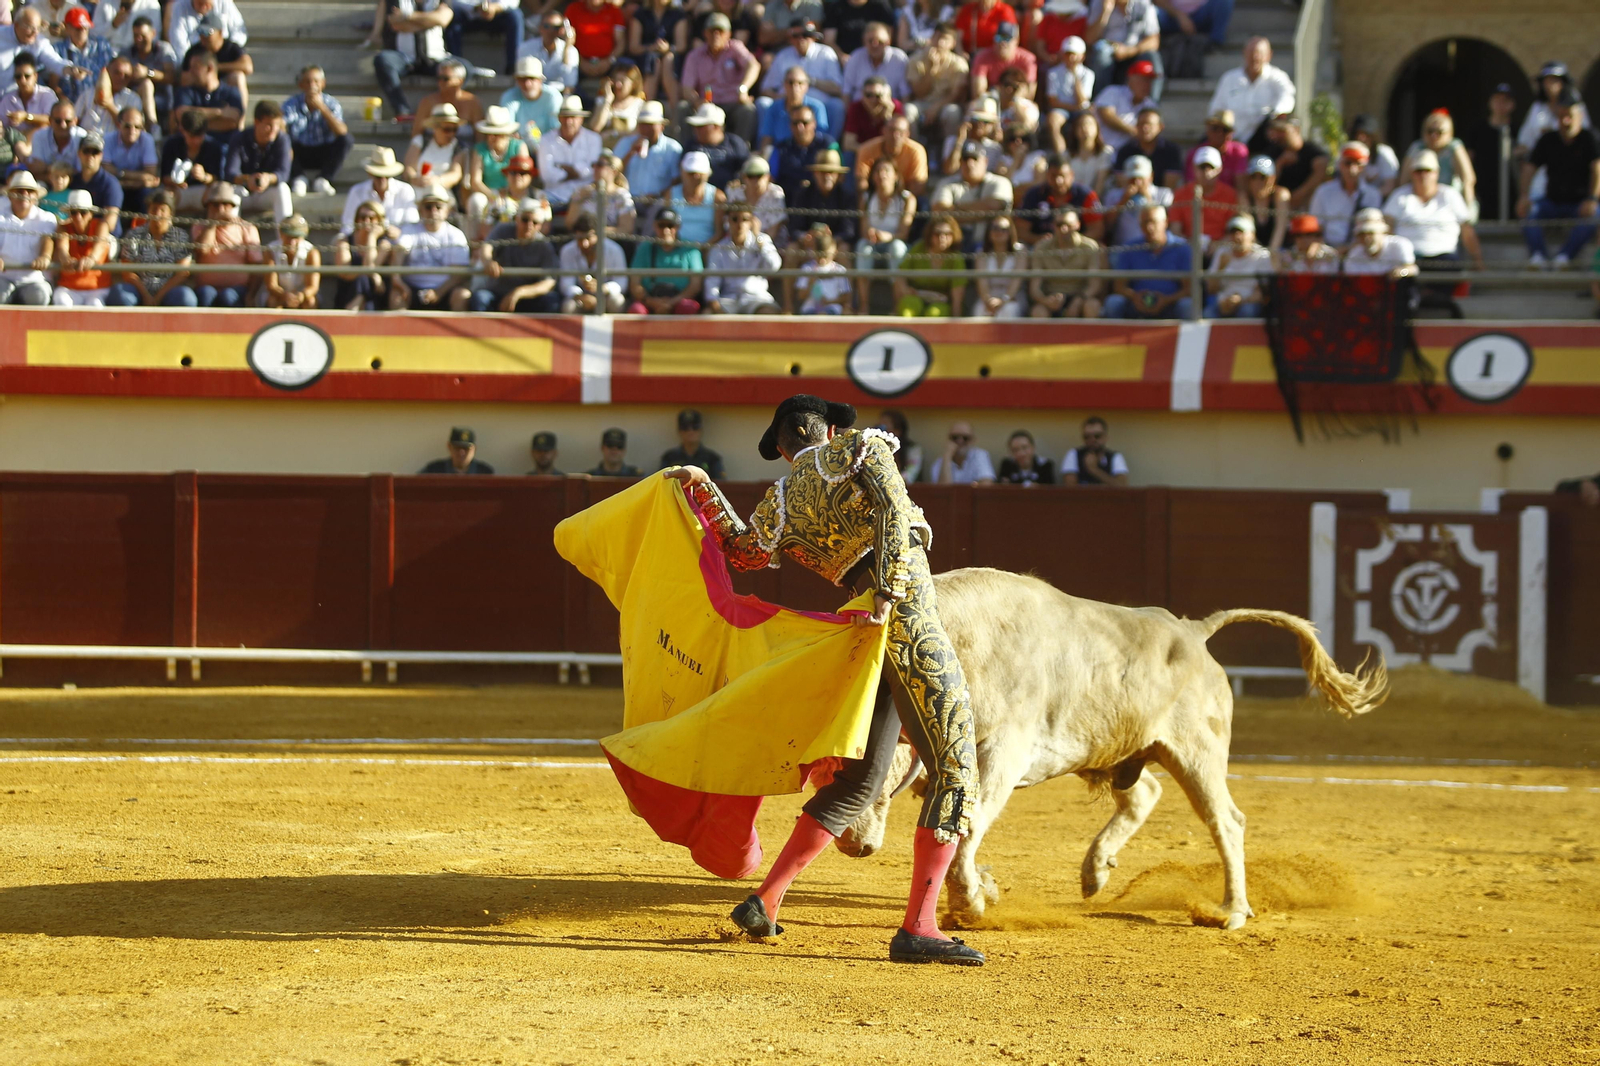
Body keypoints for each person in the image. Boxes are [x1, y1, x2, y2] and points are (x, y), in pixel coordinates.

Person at [668, 395, 984, 965]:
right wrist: (891, 588)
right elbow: (891, 509)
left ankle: (765, 901)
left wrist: (702, 489)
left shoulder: (784, 499)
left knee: (859, 787)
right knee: (956, 769)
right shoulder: (863, 446)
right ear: (833, 427)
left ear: (786, 448)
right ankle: (920, 927)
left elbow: (742, 552)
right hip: (906, 614)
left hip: (862, 631)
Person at [1383, 148, 1482, 308]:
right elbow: (1386, 228)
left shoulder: (1450, 195)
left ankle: (1432, 302)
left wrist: (1478, 260)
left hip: (1444, 260)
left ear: (1436, 173)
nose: (1423, 175)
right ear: (1411, 173)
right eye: (1418, 171)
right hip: (1408, 258)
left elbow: (1467, 231)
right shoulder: (1399, 196)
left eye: (1427, 171)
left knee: (1451, 268)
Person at [1518, 90, 1598, 270]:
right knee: (1529, 211)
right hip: (1552, 201)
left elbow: (1597, 169)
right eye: (1561, 116)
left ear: (1580, 116)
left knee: (1596, 214)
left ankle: (1564, 257)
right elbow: (1529, 168)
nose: (1565, 121)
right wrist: (1524, 196)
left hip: (1580, 202)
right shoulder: (1548, 139)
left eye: (1569, 116)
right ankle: (1538, 257)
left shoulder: (1590, 138)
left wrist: (1592, 198)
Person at [677, 13, 760, 144]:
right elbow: (686, 88)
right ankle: (687, 151)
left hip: (732, 102)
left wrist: (743, 89)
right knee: (683, 107)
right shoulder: (695, 55)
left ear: (728, 34)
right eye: (712, 31)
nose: (716, 35)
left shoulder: (735, 48)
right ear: (705, 33)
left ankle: (741, 152)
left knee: (747, 110)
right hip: (707, 104)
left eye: (720, 31)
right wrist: (696, 100)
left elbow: (753, 65)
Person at [1103, 202, 1192, 319]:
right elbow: (1119, 286)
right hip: (1136, 304)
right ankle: (1113, 337)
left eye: (1153, 222)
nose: (1149, 227)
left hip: (1171, 305)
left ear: (1165, 223)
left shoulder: (1183, 248)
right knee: (1113, 303)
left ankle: (1187, 337)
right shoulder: (1130, 248)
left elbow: (1189, 289)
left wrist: (1167, 300)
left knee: (1187, 305)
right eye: (1145, 223)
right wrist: (1135, 297)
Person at [108, 189, 196, 306]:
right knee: (120, 295)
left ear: (170, 214)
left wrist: (159, 296)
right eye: (154, 209)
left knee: (186, 298)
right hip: (139, 288)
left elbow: (182, 272)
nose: (157, 214)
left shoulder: (181, 236)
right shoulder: (134, 234)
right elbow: (127, 271)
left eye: (163, 210)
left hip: (169, 289)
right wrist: (146, 295)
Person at [389, 184, 470, 310]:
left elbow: (458, 275)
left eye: (438, 207)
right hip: (411, 289)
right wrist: (398, 282)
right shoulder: (409, 230)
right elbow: (399, 251)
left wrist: (439, 292)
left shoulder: (456, 235)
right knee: (396, 296)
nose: (433, 211)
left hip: (446, 290)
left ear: (447, 210)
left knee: (462, 295)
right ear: (420, 210)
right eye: (428, 207)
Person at [761, 20, 845, 137]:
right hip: (787, 107)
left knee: (837, 105)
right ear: (790, 38)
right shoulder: (783, 56)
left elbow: (838, 88)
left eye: (806, 35)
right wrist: (782, 98)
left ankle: (829, 146)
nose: (801, 39)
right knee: (762, 103)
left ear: (814, 37)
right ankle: (765, 148)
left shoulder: (826, 53)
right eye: (796, 36)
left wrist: (811, 81)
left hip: (819, 106)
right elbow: (766, 88)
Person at [1206, 36, 1291, 148]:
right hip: (1231, 138)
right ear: (1244, 53)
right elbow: (1216, 108)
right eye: (1251, 52)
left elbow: (1287, 99)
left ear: (1269, 55)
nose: (1255, 57)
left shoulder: (1278, 78)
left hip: (1264, 139)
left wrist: (1273, 116)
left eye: (1259, 53)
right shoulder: (1229, 78)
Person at [189, 181, 263, 307]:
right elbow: (202, 250)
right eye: (215, 205)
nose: (220, 209)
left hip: (237, 289)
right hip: (206, 287)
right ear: (208, 207)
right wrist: (212, 224)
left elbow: (257, 266)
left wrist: (251, 295)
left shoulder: (247, 228)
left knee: (228, 297)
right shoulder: (199, 227)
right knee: (206, 294)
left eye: (225, 204)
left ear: (232, 207)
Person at [281, 65, 350, 198]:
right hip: (299, 152)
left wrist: (322, 108)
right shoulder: (291, 103)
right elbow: (280, 124)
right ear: (301, 85)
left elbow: (342, 132)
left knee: (346, 140)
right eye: (307, 81)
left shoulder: (332, 103)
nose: (312, 85)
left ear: (323, 84)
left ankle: (323, 179)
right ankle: (298, 178)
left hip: (324, 151)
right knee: (281, 138)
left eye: (316, 81)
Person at [856, 155, 914, 307]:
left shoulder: (906, 199)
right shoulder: (866, 198)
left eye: (886, 170)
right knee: (863, 247)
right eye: (878, 171)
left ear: (896, 175)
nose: (882, 175)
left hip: (896, 243)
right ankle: (863, 306)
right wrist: (871, 234)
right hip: (873, 244)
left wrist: (887, 237)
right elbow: (864, 229)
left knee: (897, 247)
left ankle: (898, 306)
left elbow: (904, 233)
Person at [933, 140, 1013, 249]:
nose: (970, 164)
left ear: (985, 162)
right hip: (954, 246)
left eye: (975, 159)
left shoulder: (999, 182)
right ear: (960, 162)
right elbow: (940, 212)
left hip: (989, 246)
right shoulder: (947, 183)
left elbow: (994, 206)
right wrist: (982, 212)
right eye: (965, 159)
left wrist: (955, 208)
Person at [704, 201, 781, 314]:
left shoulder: (762, 240)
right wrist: (714, 304)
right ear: (728, 221)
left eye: (745, 219)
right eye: (735, 219)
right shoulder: (718, 249)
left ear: (751, 222)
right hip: (729, 300)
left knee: (768, 313)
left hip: (757, 298)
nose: (740, 224)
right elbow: (712, 281)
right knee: (708, 315)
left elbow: (774, 267)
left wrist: (759, 240)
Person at [1029, 203, 1102, 318]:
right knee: (1038, 311)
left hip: (1080, 296)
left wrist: (1079, 300)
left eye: (1068, 225)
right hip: (1051, 296)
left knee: (1093, 306)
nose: (1063, 229)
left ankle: (1090, 336)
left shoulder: (1089, 247)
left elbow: (1094, 285)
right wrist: (1045, 300)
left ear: (1078, 225)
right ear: (1053, 226)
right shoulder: (1041, 247)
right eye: (1059, 225)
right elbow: (1035, 287)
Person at [224, 99, 292, 221]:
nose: (273, 129)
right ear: (256, 122)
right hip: (244, 191)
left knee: (283, 189)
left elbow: (283, 173)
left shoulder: (282, 139)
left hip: (267, 192)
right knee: (230, 192)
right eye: (269, 125)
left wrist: (268, 178)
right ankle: (231, 236)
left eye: (277, 125)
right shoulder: (239, 138)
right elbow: (230, 173)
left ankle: (286, 236)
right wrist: (247, 179)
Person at [464, 105, 532, 227]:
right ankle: (476, 240)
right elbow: (475, 181)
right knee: (476, 201)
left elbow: (525, 175)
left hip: (515, 191)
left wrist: (509, 194)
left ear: (507, 134)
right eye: (489, 134)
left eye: (497, 134)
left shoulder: (519, 146)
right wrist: (493, 196)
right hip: (488, 192)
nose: (492, 137)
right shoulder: (480, 149)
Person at [1308, 141, 1384, 249]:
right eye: (1348, 163)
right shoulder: (1324, 192)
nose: (1352, 170)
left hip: (1360, 251)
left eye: (1358, 164)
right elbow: (1315, 227)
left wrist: (1350, 248)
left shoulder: (1373, 195)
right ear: (1340, 164)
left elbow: (1374, 230)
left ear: (1365, 167)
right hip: (1326, 250)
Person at [627, 208, 703, 315]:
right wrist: (652, 302)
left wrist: (671, 303)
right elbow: (635, 284)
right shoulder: (644, 248)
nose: (666, 230)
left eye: (670, 226)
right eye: (661, 225)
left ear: (678, 227)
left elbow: (695, 285)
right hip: (650, 300)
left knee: (689, 308)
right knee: (636, 310)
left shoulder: (690, 249)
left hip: (680, 300)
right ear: (654, 226)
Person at [1083, 0, 1161, 102]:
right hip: (1109, 50)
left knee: (1152, 57)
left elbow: (1154, 40)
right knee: (1101, 53)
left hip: (1135, 50)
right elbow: (1090, 39)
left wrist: (1130, 50)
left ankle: (1151, 107)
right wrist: (1105, 12)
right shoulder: (1098, 3)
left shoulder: (1143, 3)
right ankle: (1100, 104)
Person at [906, 21, 968, 143]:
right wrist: (931, 70)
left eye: (945, 39)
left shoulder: (959, 64)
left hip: (944, 104)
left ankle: (949, 152)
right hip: (922, 103)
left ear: (953, 43)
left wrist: (936, 107)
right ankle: (914, 148)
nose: (940, 43)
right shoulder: (916, 60)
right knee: (908, 109)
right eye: (937, 37)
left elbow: (956, 95)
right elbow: (919, 93)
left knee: (953, 112)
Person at [537, 95, 603, 209]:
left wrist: (563, 169)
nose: (568, 121)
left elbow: (593, 170)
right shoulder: (546, 139)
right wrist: (576, 172)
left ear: (581, 119)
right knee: (538, 210)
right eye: (565, 117)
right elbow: (546, 175)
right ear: (559, 118)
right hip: (554, 195)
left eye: (573, 117)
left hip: (585, 196)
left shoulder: (594, 139)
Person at [0, 171, 56, 305]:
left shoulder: (46, 218)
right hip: (3, 277)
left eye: (29, 191)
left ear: (35, 196)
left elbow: (47, 239)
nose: (24, 194)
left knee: (39, 296)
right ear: (10, 196)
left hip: (34, 278)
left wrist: (45, 256)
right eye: (19, 191)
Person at [50, 189, 112, 307]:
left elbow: (100, 244)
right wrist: (65, 258)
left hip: (97, 287)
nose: (78, 217)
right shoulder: (63, 228)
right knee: (61, 300)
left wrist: (91, 258)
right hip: (69, 287)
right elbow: (62, 247)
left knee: (95, 304)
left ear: (91, 214)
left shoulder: (101, 225)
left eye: (83, 212)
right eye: (74, 212)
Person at [1402, 109, 1476, 208]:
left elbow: (1468, 179)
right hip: (1420, 201)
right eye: (1430, 131)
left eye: (1439, 132)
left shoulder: (1454, 147)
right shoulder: (1417, 147)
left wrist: (1468, 209)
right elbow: (1404, 180)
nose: (1434, 136)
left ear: (1449, 133)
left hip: (1449, 200)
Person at [895, 213, 965, 316]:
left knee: (933, 315)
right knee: (907, 310)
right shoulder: (919, 248)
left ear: (954, 235)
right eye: (937, 233)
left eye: (947, 234)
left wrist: (956, 323)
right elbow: (900, 274)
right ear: (930, 234)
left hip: (941, 303)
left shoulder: (956, 258)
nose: (942, 238)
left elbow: (957, 294)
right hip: (915, 297)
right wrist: (905, 290)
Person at [1168, 144, 1233, 253]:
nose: (1206, 172)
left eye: (1211, 167)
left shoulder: (1230, 195)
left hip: (1220, 250)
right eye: (1202, 167)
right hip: (1188, 249)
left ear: (1220, 169)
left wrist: (1218, 245)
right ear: (1194, 168)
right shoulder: (1181, 194)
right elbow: (1175, 230)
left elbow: (1233, 230)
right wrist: (1189, 244)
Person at [614, 100, 682, 202]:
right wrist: (631, 152)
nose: (646, 129)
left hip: (658, 201)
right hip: (628, 200)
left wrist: (659, 195)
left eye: (650, 124)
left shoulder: (672, 148)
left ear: (661, 126)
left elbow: (677, 181)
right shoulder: (625, 143)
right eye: (643, 124)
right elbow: (612, 172)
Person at [331, 199, 394, 311]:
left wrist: (372, 237)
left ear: (379, 221)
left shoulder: (384, 244)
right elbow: (345, 273)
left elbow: (369, 266)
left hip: (375, 294)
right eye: (362, 217)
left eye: (372, 218)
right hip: (347, 292)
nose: (366, 221)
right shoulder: (345, 241)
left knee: (364, 280)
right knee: (363, 279)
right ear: (356, 219)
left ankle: (351, 315)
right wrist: (374, 275)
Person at [558, 212, 626, 313]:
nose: (585, 244)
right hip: (580, 298)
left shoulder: (614, 250)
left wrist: (603, 289)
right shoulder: (567, 251)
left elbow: (621, 282)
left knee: (617, 301)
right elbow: (566, 283)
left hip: (606, 296)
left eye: (588, 238)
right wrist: (579, 296)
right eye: (580, 239)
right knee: (569, 306)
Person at [342, 146, 418, 237]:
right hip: (364, 245)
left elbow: (413, 225)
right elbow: (347, 226)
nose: (382, 179)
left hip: (395, 246)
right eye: (378, 175)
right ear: (370, 174)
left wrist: (398, 234)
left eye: (387, 176)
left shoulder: (405, 190)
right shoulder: (357, 191)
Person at [788, 147, 857, 245]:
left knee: (844, 250)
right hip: (808, 245)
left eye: (831, 172)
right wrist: (806, 237)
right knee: (792, 250)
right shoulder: (803, 194)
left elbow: (848, 232)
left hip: (834, 246)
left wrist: (829, 240)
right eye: (823, 172)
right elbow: (794, 228)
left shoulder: (846, 197)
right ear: (815, 174)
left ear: (839, 175)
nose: (827, 176)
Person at [1102, 153, 1171, 247]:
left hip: (1156, 247)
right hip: (1123, 249)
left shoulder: (1164, 194)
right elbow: (1107, 225)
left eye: (1141, 178)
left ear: (1151, 176)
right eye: (1133, 178)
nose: (1137, 182)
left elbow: (1167, 223)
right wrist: (1123, 200)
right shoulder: (1113, 195)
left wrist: (1148, 198)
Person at [160, 108, 222, 213]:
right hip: (176, 191)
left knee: (218, 195)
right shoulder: (171, 145)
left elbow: (217, 179)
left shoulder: (213, 147)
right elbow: (164, 177)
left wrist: (204, 177)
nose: (196, 141)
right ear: (182, 130)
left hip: (203, 191)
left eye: (200, 136)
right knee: (164, 196)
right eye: (192, 136)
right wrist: (175, 181)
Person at [1204, 213, 1267, 317]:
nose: (1237, 237)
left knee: (1247, 311)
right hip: (1223, 302)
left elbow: (1263, 292)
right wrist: (1220, 268)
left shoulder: (1262, 256)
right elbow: (1211, 290)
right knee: (1208, 313)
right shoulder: (1222, 253)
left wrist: (1241, 300)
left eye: (1241, 232)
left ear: (1252, 235)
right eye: (1233, 233)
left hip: (1249, 302)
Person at [446, 0, 525, 79]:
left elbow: (513, 2)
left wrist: (495, 7)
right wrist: (476, 7)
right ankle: (454, 67)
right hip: (468, 15)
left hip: (498, 15)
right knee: (452, 14)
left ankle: (513, 67)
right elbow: (453, 2)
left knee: (515, 15)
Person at [1091, 56, 1155, 153]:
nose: (1147, 84)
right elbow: (1106, 114)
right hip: (1101, 151)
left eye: (1149, 80)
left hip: (1128, 155)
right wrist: (1133, 131)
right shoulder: (1113, 92)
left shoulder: (1151, 105)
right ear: (1130, 79)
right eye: (1143, 79)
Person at [628, 0, 687, 103]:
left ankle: (675, 109)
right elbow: (634, 47)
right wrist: (652, 48)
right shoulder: (640, 15)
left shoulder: (678, 15)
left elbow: (681, 46)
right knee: (654, 61)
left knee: (668, 59)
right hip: (646, 58)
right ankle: (646, 106)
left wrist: (668, 48)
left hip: (672, 58)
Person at [408, 59, 483, 140]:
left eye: (445, 79)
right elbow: (416, 135)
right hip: (434, 150)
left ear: (460, 81)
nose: (440, 82)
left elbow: (480, 136)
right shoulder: (428, 102)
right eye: (438, 78)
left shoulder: (472, 102)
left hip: (466, 150)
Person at [1111, 103, 1182, 189]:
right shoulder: (1125, 151)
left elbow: (1170, 186)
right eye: (1141, 124)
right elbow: (1122, 183)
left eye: (1149, 124)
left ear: (1160, 127)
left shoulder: (1171, 151)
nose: (1145, 128)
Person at [103, 106, 158, 216]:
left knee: (147, 193)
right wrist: (138, 178)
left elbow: (151, 175)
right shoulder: (108, 139)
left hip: (132, 186)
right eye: (127, 126)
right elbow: (105, 169)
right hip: (116, 185)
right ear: (119, 125)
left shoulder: (147, 140)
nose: (132, 131)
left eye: (137, 127)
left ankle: (143, 228)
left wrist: (121, 175)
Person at [684, 101, 750, 190]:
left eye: (700, 126)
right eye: (695, 126)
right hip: (701, 198)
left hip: (731, 197)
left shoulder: (735, 144)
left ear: (716, 127)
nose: (696, 130)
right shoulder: (691, 146)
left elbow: (746, 170)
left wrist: (739, 181)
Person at [172, 51, 242, 135]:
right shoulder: (186, 91)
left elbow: (233, 120)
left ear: (209, 68)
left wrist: (194, 124)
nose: (190, 71)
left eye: (195, 67)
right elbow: (182, 115)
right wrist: (219, 112)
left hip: (223, 144)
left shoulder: (230, 92)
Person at [973, 213, 1028, 317]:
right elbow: (982, 283)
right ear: (988, 231)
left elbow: (1016, 281)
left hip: (1013, 298)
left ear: (1010, 231)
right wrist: (988, 301)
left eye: (1004, 229)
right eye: (995, 228)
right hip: (988, 298)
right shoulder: (981, 254)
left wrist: (1003, 301)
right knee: (980, 310)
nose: (999, 232)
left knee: (1009, 310)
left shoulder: (1020, 251)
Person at [68, 133, 123, 234]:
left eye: (95, 152)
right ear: (79, 153)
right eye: (86, 151)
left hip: (105, 237)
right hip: (77, 235)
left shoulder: (110, 183)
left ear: (101, 156)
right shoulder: (73, 181)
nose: (90, 156)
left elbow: (110, 222)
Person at [665, 150, 722, 246]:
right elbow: (665, 227)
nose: (696, 176)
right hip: (676, 249)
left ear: (708, 173)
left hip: (707, 251)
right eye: (691, 172)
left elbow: (719, 232)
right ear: (682, 172)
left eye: (700, 172)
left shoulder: (718, 197)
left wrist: (702, 250)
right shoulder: (670, 194)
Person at [724, 154, 785, 243]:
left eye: (759, 175)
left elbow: (773, 232)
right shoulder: (735, 193)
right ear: (744, 177)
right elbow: (728, 226)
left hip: (769, 245)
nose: (755, 180)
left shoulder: (775, 194)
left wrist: (757, 238)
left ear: (768, 177)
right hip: (737, 243)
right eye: (751, 176)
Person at [501, 56, 561, 145]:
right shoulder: (509, 97)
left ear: (541, 80)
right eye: (523, 79)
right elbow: (508, 130)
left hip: (549, 149)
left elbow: (556, 131)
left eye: (532, 78)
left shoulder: (552, 96)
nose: (527, 84)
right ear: (517, 81)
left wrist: (537, 142)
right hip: (519, 152)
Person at [1339, 208, 1415, 278]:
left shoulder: (1399, 245)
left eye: (1371, 233)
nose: (1366, 238)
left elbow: (1413, 269)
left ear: (1383, 232)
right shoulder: (1354, 255)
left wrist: (1402, 272)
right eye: (1362, 234)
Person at [563, 0, 625, 85]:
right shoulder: (573, 9)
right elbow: (568, 39)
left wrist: (609, 61)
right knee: (567, 63)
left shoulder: (614, 11)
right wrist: (580, 61)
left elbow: (621, 43)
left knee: (627, 66)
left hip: (609, 62)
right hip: (580, 61)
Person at [405, 103, 465, 191]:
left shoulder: (458, 147)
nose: (451, 134)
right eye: (447, 130)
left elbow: (456, 174)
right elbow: (409, 167)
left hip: (442, 192)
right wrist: (415, 179)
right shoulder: (420, 141)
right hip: (418, 189)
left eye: (454, 129)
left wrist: (437, 180)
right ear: (435, 128)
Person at [1, 52, 58, 140]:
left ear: (35, 76)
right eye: (18, 77)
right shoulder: (8, 99)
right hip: (14, 144)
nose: (22, 81)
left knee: (43, 126)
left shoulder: (46, 94)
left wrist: (26, 117)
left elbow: (54, 120)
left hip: (44, 143)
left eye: (27, 76)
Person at [1237, 153, 1287, 252]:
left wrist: (1271, 253)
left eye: (1263, 177)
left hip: (1279, 249)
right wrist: (1261, 255)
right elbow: (1248, 230)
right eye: (1254, 177)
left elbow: (1281, 227)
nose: (1258, 182)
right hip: (1254, 250)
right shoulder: (1244, 198)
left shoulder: (1280, 195)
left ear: (1272, 179)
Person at [795, 226, 851, 313]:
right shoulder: (807, 268)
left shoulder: (840, 270)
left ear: (834, 252)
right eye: (818, 256)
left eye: (825, 256)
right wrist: (810, 284)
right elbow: (800, 295)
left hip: (832, 310)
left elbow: (846, 296)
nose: (822, 260)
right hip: (810, 310)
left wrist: (829, 302)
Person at [1061, 416, 1128, 485]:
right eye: (1087, 437)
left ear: (1105, 437)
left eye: (1097, 436)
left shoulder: (1115, 457)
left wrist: (1094, 469)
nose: (1092, 440)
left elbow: (1122, 486)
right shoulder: (1073, 454)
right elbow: (1069, 487)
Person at [658, 409, 725, 476]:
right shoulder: (670, 458)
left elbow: (720, 484)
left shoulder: (712, 459)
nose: (690, 431)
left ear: (701, 430)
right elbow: (662, 481)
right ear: (679, 431)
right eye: (685, 428)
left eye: (695, 427)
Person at [30, 100, 86, 181]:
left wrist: (49, 169)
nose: (63, 125)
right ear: (50, 121)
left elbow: (81, 174)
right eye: (58, 121)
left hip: (75, 184)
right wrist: (65, 173)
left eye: (68, 121)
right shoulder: (39, 136)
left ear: (75, 121)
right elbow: (36, 170)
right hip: (45, 184)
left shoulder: (82, 137)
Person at [1064, 108, 1115, 194]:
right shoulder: (1066, 155)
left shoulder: (1105, 152)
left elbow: (1101, 182)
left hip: (1097, 202)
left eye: (1089, 124)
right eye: (1080, 125)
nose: (1085, 128)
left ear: (1097, 128)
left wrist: (1092, 203)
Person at [931, 420, 995, 483]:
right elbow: (942, 491)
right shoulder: (940, 462)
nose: (960, 441)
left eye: (965, 438)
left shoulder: (980, 455)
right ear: (948, 439)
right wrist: (947, 456)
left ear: (973, 440)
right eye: (955, 437)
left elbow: (986, 486)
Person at [420, 427, 495, 474]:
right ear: (449, 447)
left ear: (474, 449)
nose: (461, 452)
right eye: (457, 448)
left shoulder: (484, 472)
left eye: (466, 448)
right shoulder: (434, 470)